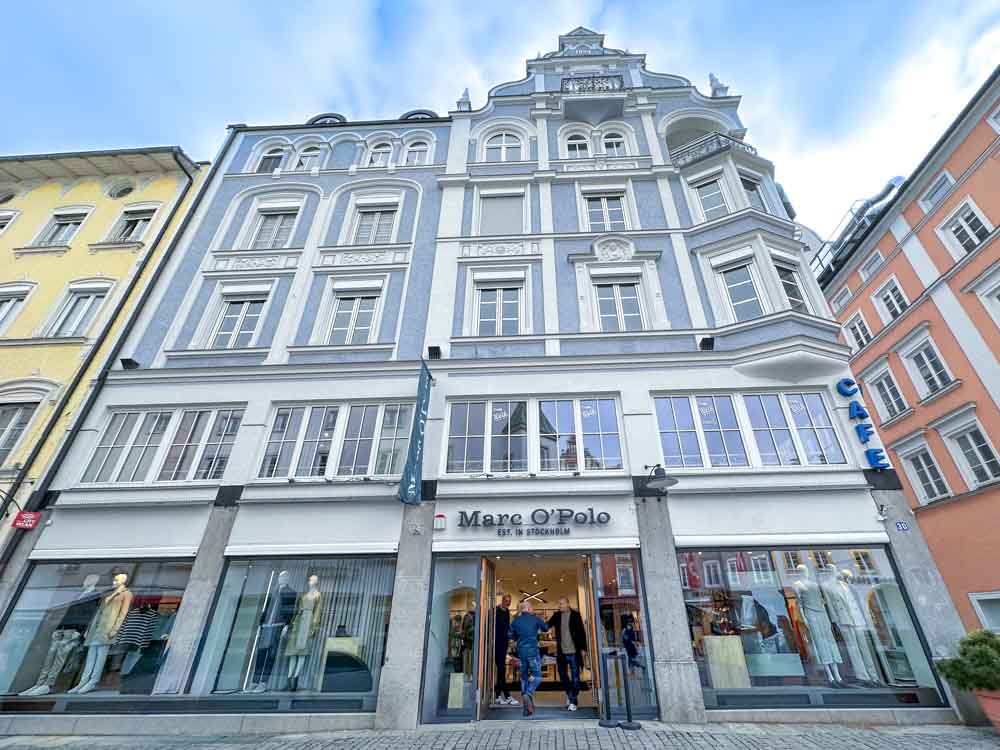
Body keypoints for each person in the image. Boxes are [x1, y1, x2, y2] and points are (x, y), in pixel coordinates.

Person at [508, 600, 549, 716]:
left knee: (524, 678)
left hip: (521, 653)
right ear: (529, 608)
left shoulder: (516, 621)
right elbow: (546, 628)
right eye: (532, 608)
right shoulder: (535, 619)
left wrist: (515, 642)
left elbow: (510, 635)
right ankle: (529, 693)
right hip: (533, 653)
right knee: (537, 676)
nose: (532, 609)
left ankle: (526, 709)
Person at [547, 597, 587, 711]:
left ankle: (572, 700)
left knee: (576, 678)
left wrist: (583, 648)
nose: (560, 606)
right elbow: (547, 625)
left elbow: (581, 632)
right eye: (559, 604)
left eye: (562, 603)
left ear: (568, 604)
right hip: (562, 652)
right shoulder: (556, 615)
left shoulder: (576, 615)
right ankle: (571, 696)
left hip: (574, 651)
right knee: (563, 676)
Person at [494, 593, 518, 706]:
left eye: (509, 601)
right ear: (502, 600)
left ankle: (498, 696)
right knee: (501, 669)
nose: (508, 603)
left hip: (503, 644)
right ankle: (506, 695)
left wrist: (509, 640)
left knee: (501, 670)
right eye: (506, 601)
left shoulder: (507, 612)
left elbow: (507, 628)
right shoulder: (495, 611)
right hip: (496, 644)